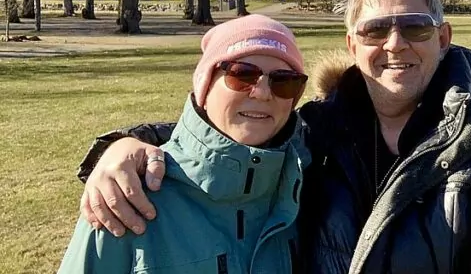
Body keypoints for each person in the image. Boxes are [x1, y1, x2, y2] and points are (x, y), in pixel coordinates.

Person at [76, 0, 471, 273]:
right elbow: (232, 134)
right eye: (375, 31)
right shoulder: (317, 133)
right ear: (352, 45)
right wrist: (125, 145)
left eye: (414, 28)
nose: (395, 44)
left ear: (442, 38)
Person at [58, 14, 311, 273]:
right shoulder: (124, 197)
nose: (262, 92)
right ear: (205, 85)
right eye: (242, 74)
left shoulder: (307, 187)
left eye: (284, 81)